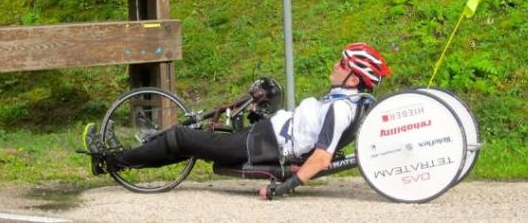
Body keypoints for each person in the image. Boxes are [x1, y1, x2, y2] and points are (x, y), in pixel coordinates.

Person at [83, 42, 391, 200]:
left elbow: (322, 158)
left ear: (353, 79)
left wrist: (283, 189)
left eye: (342, 64)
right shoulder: (345, 101)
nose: (336, 65)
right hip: (266, 133)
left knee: (183, 138)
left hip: (259, 145)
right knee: (198, 135)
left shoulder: (342, 110)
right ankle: (128, 156)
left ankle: (112, 160)